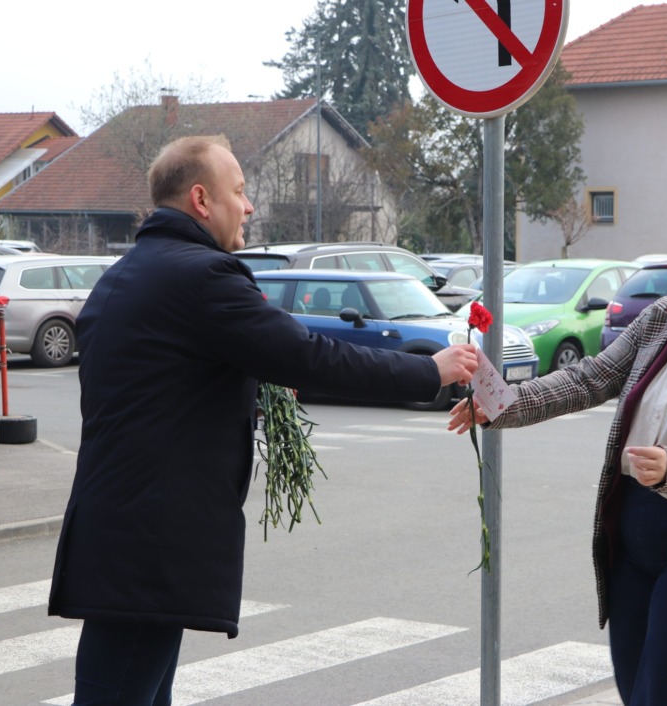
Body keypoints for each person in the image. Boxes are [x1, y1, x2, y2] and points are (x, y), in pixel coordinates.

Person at [47, 135, 478, 706]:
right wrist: (430, 372)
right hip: (149, 547)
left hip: (125, 534)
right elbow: (308, 355)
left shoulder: (130, 272)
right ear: (202, 199)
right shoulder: (201, 278)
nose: (249, 206)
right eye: (240, 191)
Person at [450, 209, 667, 704]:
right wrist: (501, 404)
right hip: (630, 540)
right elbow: (587, 379)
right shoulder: (661, 319)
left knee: (664, 697)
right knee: (634, 689)